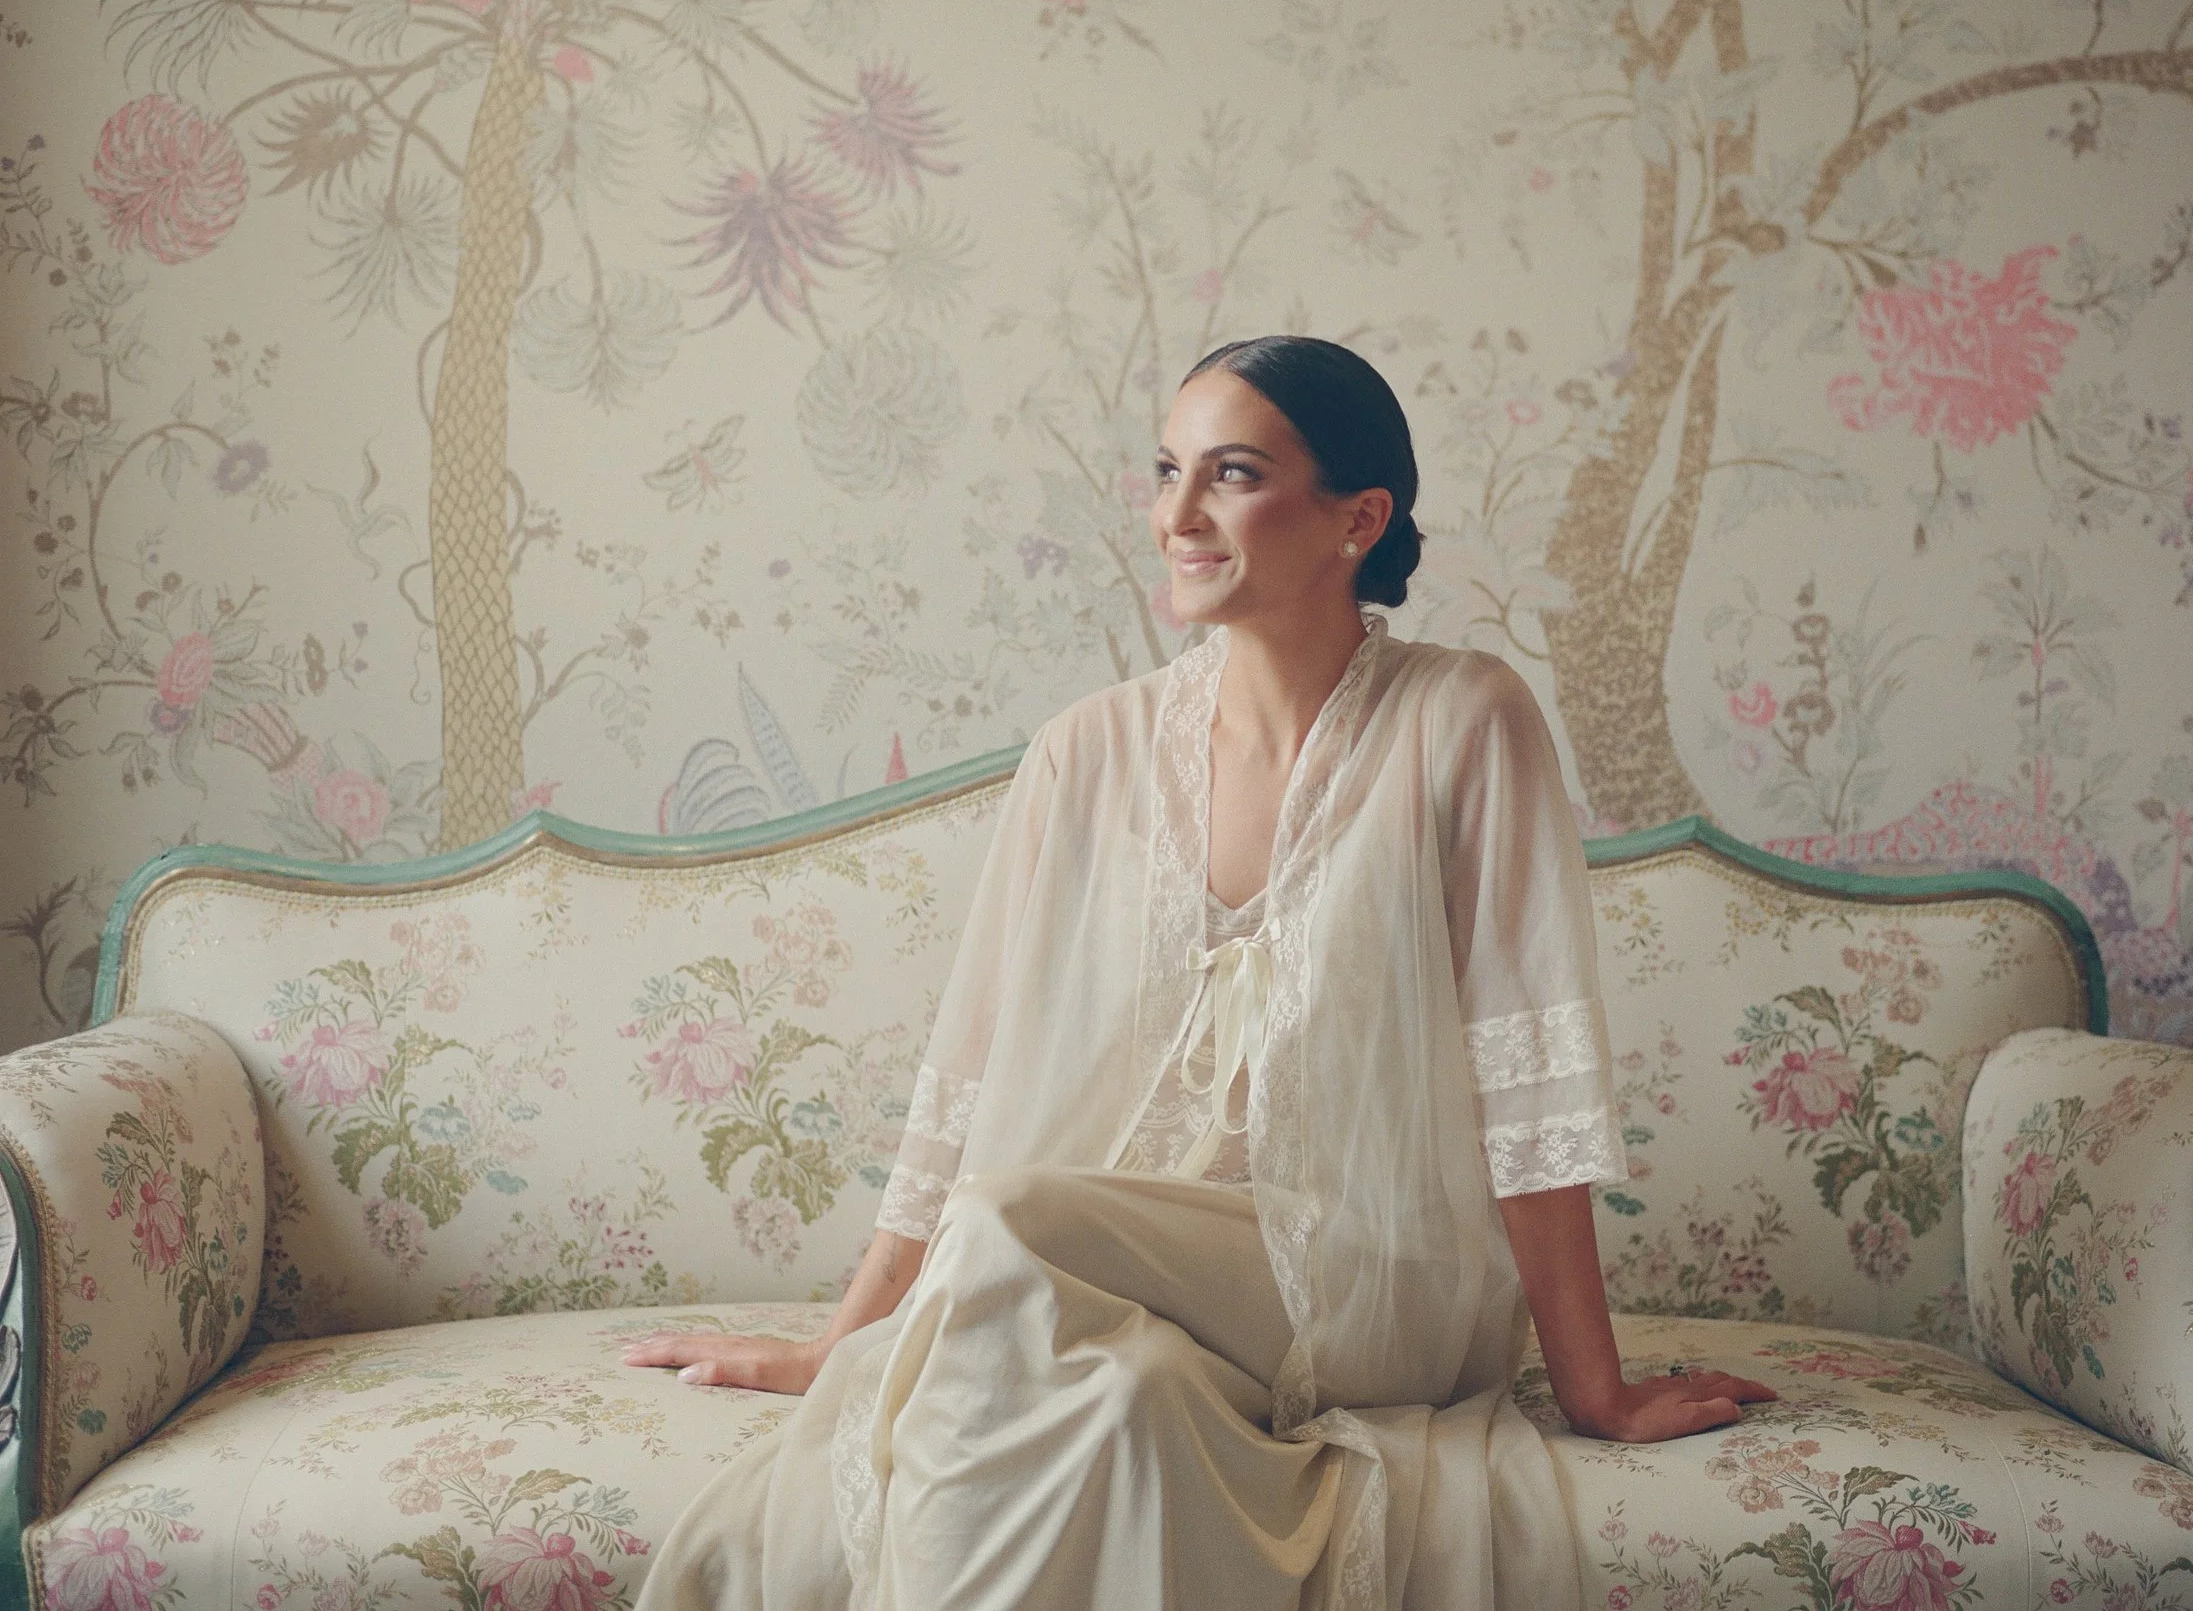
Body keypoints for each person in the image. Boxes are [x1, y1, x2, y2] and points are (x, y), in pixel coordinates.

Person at [621, 337, 1775, 1610]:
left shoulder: (1464, 720)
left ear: (1358, 517)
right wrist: (830, 1349)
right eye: (1167, 471)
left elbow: (1526, 1083)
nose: (1175, 516)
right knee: (1121, 1398)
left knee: (1006, 1220)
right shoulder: (1087, 752)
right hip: (1118, 1306)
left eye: (1230, 475)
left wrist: (1593, 1386)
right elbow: (966, 1080)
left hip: (1368, 1280)